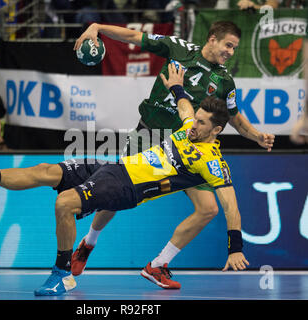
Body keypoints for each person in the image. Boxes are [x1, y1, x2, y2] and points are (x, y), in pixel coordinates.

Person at [0, 64, 249, 295]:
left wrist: (235, 246)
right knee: (45, 171)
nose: (193, 124)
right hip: (116, 167)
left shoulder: (212, 162)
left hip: (126, 187)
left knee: (65, 204)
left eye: (201, 122)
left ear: (217, 130)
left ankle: (60, 274)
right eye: (195, 118)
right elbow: (184, 107)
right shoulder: (189, 128)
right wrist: (178, 87)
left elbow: (230, 205)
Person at [70, 21, 274, 287]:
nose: (231, 52)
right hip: (149, 134)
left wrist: (257, 135)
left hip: (186, 145)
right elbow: (134, 36)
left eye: (234, 48)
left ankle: (157, 265)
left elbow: (234, 118)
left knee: (209, 208)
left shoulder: (224, 81)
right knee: (114, 196)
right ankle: (89, 243)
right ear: (212, 39)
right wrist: (96, 27)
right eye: (228, 45)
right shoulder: (178, 48)